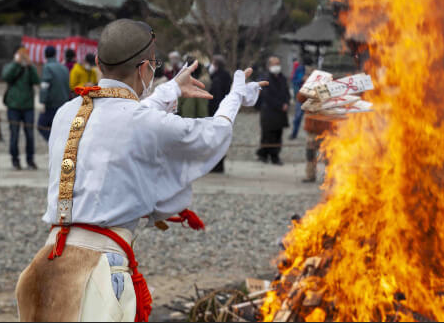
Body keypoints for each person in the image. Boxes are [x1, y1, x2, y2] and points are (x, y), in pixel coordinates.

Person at [14, 18, 267, 322]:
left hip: (44, 263)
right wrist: (235, 96)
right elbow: (211, 136)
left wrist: (171, 89)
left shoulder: (66, 112)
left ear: (97, 62)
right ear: (145, 68)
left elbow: (125, 117)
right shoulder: (139, 119)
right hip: (97, 272)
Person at [2, 47, 41, 170]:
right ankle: (15, 160)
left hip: (28, 106)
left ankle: (30, 160)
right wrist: (16, 63)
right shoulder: (11, 66)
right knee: (14, 134)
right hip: (13, 106)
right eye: (21, 54)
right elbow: (6, 77)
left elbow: (36, 80)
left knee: (29, 134)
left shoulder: (29, 68)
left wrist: (30, 66)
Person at [256, 56, 291, 165]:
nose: (276, 66)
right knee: (267, 134)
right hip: (269, 111)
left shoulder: (282, 78)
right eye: (274, 64)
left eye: (278, 63)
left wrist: (286, 102)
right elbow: (267, 96)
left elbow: (286, 93)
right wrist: (280, 105)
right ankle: (264, 154)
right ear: (269, 65)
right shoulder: (265, 78)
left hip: (280, 113)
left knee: (278, 135)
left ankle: (275, 156)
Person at [38, 46, 70, 141]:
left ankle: (53, 142)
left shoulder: (47, 67)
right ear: (55, 54)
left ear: (45, 55)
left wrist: (42, 101)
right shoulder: (64, 68)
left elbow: (44, 86)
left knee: (41, 125)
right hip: (64, 102)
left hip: (51, 104)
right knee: (58, 126)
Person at [207, 54, 232, 173]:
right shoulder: (226, 76)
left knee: (215, 140)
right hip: (225, 110)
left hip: (216, 111)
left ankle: (216, 166)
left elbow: (215, 97)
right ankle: (219, 165)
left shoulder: (216, 78)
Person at [289, 57, 306, 139]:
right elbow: (294, 80)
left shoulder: (315, 70)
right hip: (301, 96)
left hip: (312, 97)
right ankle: (294, 134)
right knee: (297, 116)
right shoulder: (299, 69)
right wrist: (301, 79)